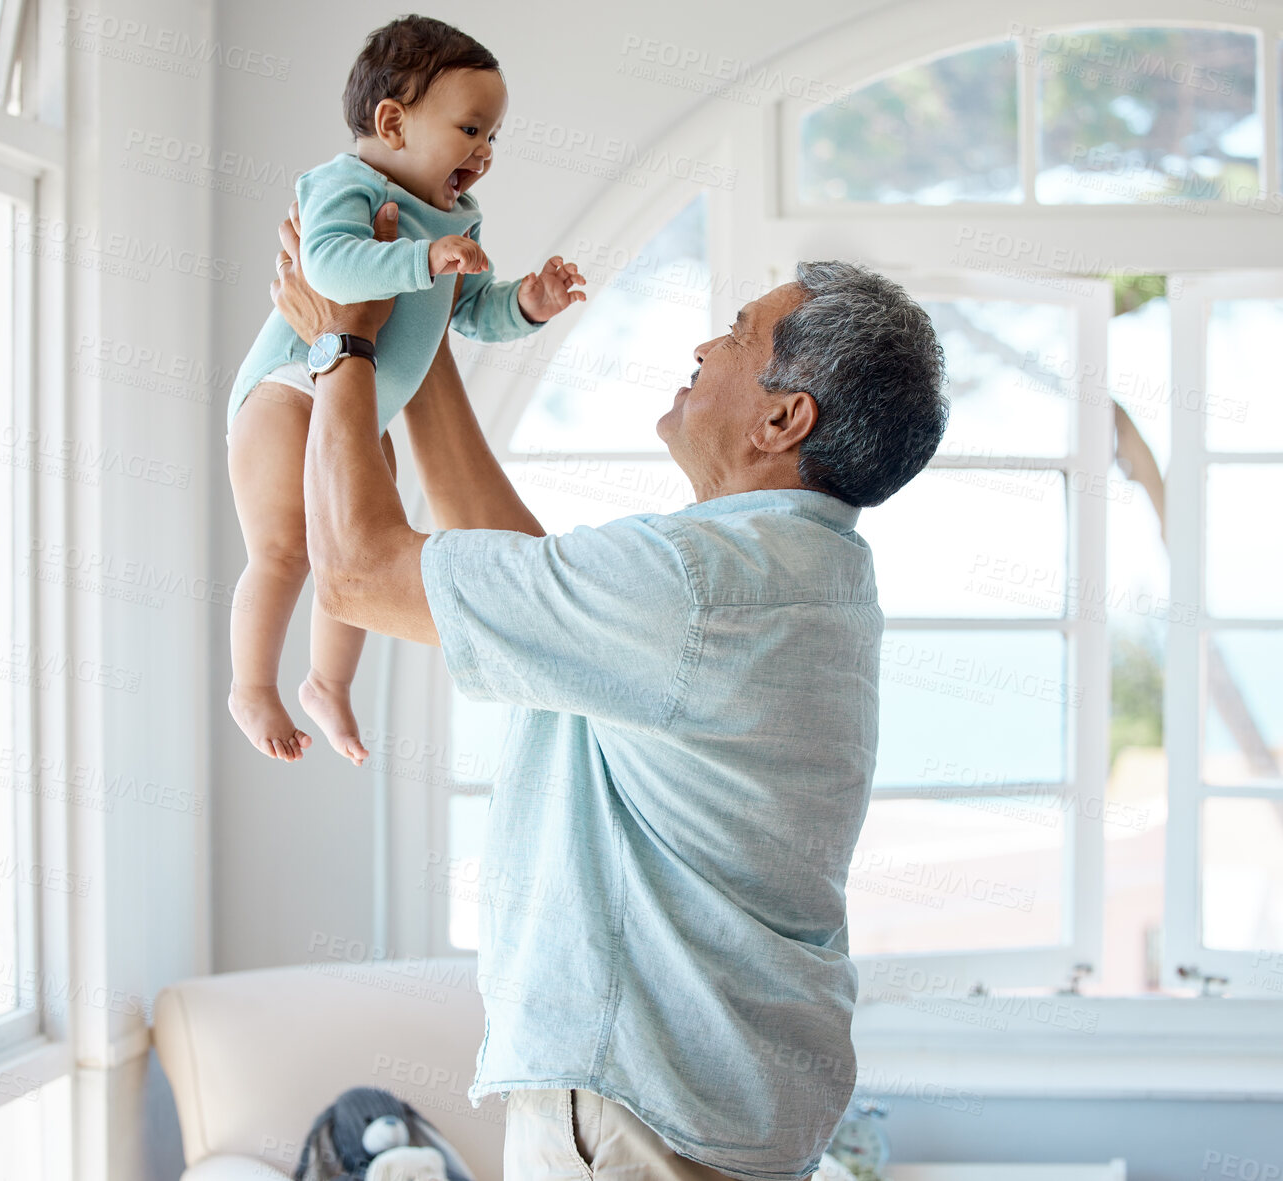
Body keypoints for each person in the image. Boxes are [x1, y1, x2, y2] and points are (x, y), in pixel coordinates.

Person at [268, 195, 948, 1180]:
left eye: (738, 333)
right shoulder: (805, 573)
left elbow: (359, 572)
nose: (706, 345)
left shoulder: (696, 583)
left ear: (782, 416)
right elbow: (517, 574)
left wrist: (343, 344)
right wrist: (415, 329)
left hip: (643, 1106)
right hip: (724, 1105)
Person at [225, 14, 586, 767]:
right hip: (290, 388)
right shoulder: (343, 184)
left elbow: (474, 313)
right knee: (286, 548)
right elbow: (328, 267)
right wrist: (424, 261)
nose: (485, 153)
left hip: (362, 397)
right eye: (471, 129)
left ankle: (327, 680)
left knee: (358, 540)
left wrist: (529, 303)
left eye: (493, 137)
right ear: (392, 122)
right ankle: (250, 685)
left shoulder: (456, 218)